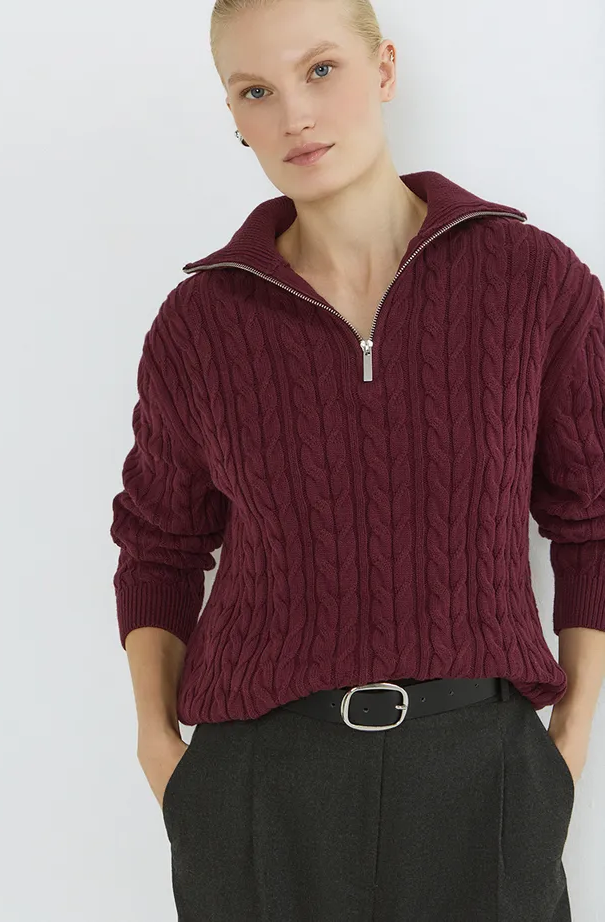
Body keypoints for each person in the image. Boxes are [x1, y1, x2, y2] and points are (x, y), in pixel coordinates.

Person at [109, 1, 605, 919]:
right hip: (260, 781)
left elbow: (593, 519)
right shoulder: (201, 324)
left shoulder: (534, 282)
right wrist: (159, 747)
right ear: (233, 115)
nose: (294, 114)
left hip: (483, 775)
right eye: (256, 91)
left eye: (320, 70)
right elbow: (159, 544)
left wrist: (567, 745)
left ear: (384, 69)